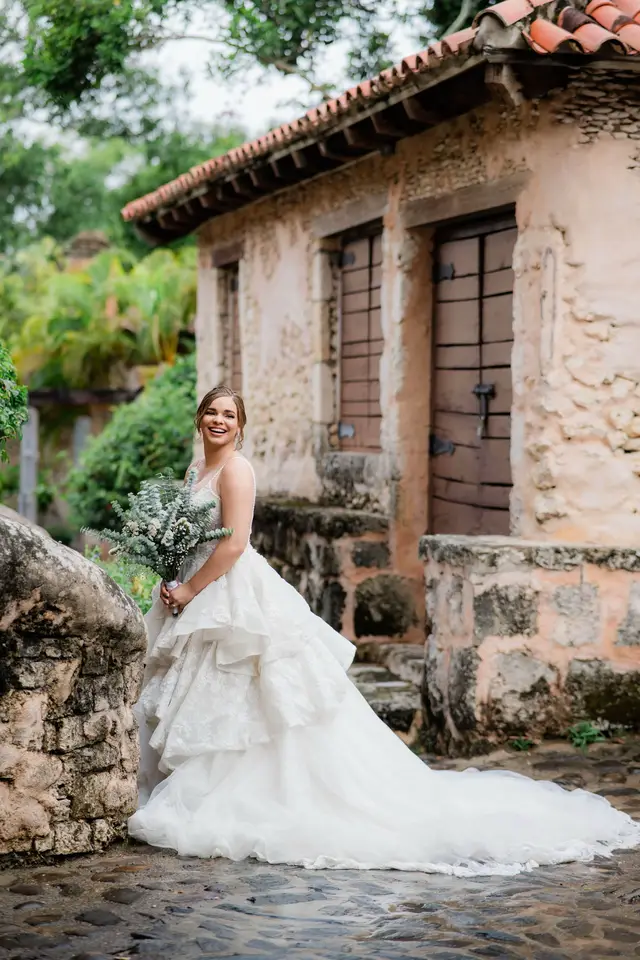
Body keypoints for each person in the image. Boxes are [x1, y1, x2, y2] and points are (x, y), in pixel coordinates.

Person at [129, 385, 640, 875]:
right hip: (194, 587)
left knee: (260, 692)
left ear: (240, 428)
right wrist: (174, 575)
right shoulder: (199, 465)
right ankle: (201, 785)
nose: (219, 421)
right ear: (200, 420)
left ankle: (256, 794)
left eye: (229, 416)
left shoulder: (236, 471)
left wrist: (192, 590)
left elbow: (235, 544)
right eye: (212, 413)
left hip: (228, 593)